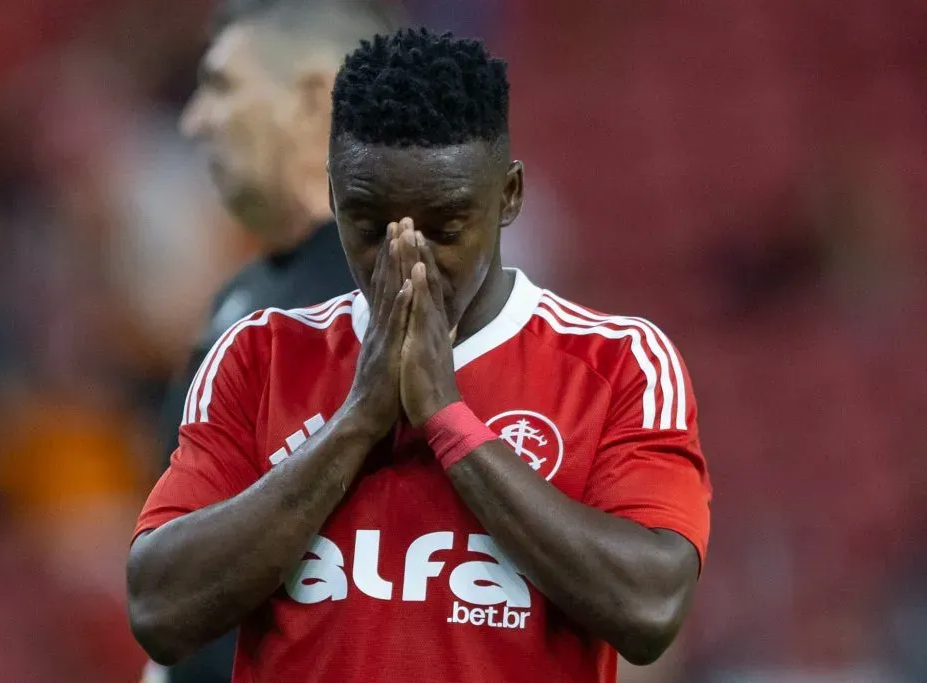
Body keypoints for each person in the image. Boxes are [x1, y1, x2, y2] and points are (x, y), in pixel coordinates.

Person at [128, 28, 712, 683]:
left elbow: (651, 605)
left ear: (509, 196)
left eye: (445, 226)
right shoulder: (259, 355)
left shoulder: (617, 364)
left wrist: (447, 417)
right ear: (332, 194)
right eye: (369, 225)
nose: (407, 257)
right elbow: (158, 608)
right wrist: (357, 421)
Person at [149, 2, 398, 681]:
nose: (194, 120)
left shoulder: (414, 298)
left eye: (222, 87)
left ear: (314, 97)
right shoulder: (240, 300)